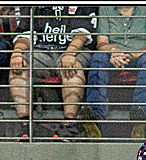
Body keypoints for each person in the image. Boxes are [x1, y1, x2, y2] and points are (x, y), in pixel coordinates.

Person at [9, 6, 98, 140]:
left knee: (72, 69)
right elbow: (25, 34)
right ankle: (25, 125)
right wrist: (17, 53)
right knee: (19, 67)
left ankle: (69, 126)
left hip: (73, 50)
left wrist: (70, 53)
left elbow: (82, 34)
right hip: (42, 51)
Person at [81, 6, 146, 140]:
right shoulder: (106, 8)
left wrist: (130, 55)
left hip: (140, 54)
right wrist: (114, 50)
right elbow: (102, 43)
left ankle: (140, 119)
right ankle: (94, 119)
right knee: (98, 57)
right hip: (114, 55)